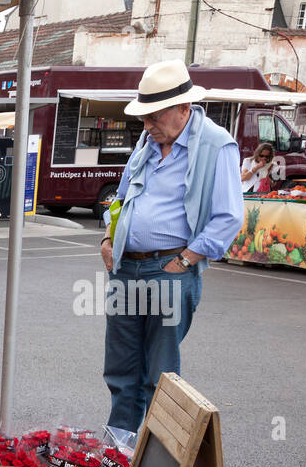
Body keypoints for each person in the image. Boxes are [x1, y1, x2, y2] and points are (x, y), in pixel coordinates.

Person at [100, 60, 243, 432]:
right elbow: (121, 198)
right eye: (144, 117)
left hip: (169, 269)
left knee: (159, 374)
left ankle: (157, 460)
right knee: (120, 370)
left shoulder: (216, 145)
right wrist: (107, 237)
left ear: (184, 108)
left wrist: (184, 260)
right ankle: (120, 454)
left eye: (154, 116)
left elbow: (228, 217)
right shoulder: (148, 141)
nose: (146, 125)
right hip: (125, 267)